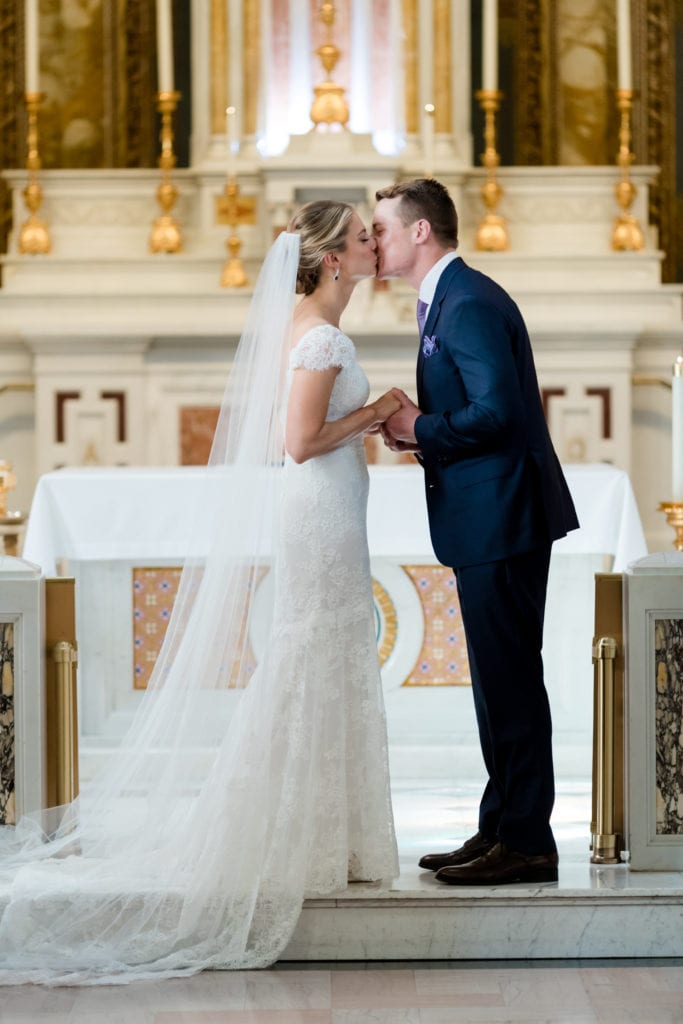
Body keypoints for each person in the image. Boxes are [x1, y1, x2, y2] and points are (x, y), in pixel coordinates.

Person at [0, 201, 400, 985]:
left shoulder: (308, 324)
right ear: (331, 261)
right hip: (319, 511)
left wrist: (365, 420)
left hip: (330, 508)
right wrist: (381, 409)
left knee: (326, 651)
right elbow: (301, 441)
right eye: (362, 237)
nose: (373, 245)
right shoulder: (320, 334)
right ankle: (309, 841)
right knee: (316, 651)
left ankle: (328, 836)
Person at [372, 178, 579, 886]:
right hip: (487, 515)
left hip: (502, 517)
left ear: (420, 232)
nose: (376, 244)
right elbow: (482, 411)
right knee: (497, 682)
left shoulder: (464, 303)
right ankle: (501, 826)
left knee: (511, 680)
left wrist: (419, 427)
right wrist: (421, 437)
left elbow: (500, 414)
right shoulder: (449, 299)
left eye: (384, 231)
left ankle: (525, 842)